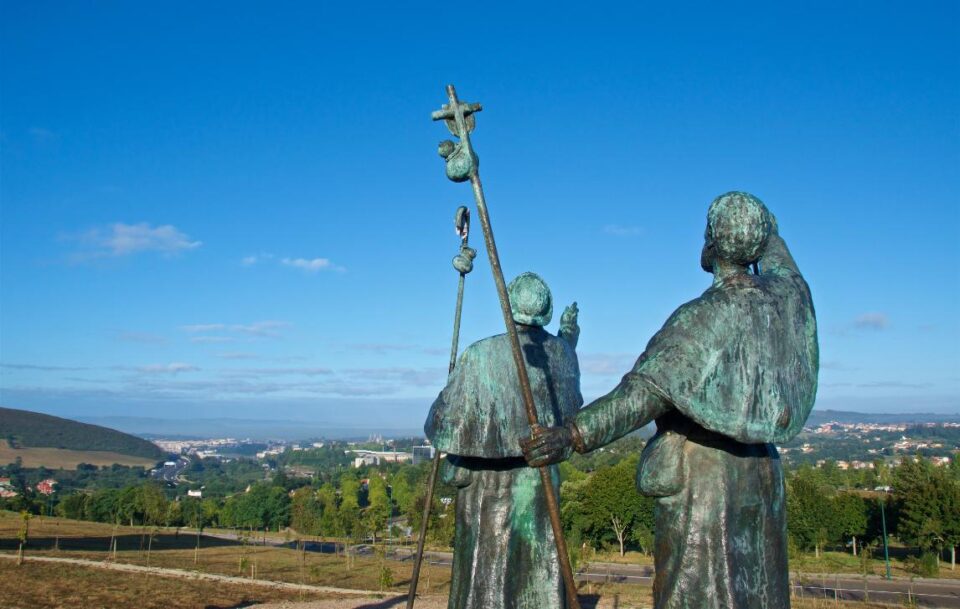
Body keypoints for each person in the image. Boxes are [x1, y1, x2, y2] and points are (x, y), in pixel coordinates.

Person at [522, 192, 818, 609]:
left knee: (701, 589)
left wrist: (571, 435)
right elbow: (779, 256)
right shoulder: (790, 297)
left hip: (707, 478)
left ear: (711, 243)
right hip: (762, 473)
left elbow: (642, 393)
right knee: (758, 589)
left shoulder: (703, 317)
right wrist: (760, 225)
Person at [425, 272, 582, 609]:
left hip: (487, 488)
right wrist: (570, 331)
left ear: (508, 307)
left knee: (486, 573)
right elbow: (561, 354)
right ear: (547, 312)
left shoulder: (480, 355)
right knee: (536, 569)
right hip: (539, 482)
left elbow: (442, 427)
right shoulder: (563, 354)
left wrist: (450, 386)